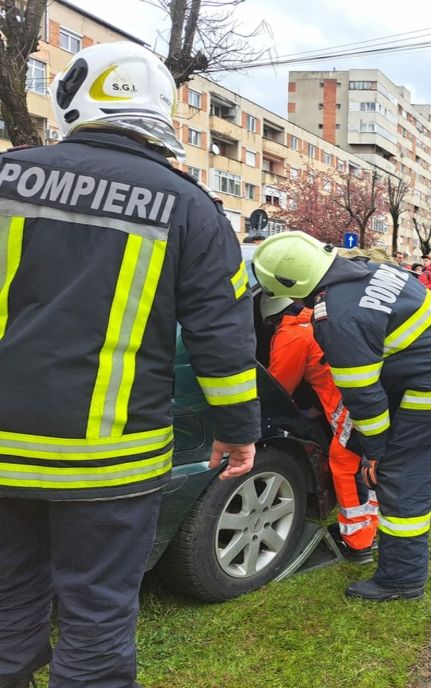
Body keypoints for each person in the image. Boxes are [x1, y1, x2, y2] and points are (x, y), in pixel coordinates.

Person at [0, 42, 260, 687]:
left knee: (6, 599)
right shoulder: (193, 208)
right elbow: (221, 341)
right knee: (96, 616)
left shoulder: (7, 178)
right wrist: (239, 428)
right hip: (112, 459)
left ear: (74, 99)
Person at [252, 232, 431, 602]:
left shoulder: (337, 317)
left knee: (402, 481)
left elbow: (364, 396)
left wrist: (376, 452)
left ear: (290, 286)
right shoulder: (372, 271)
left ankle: (401, 579)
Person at [261, 296, 377, 562]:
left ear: (271, 319)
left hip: (351, 409)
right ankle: (371, 527)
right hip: (372, 399)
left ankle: (358, 543)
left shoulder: (290, 335)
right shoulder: (322, 319)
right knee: (369, 464)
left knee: (345, 466)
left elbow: (278, 387)